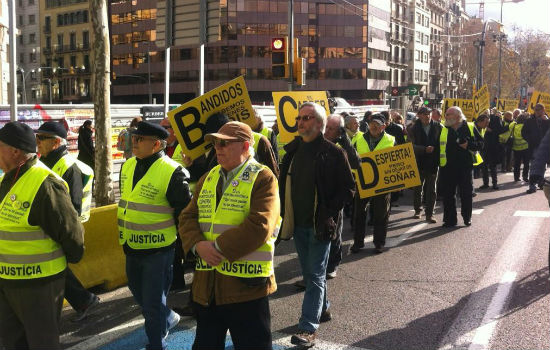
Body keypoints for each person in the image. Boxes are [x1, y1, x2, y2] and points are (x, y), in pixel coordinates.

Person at [179, 121, 280, 350]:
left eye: (224, 143)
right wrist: (197, 245)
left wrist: (216, 248)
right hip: (208, 288)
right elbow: (187, 217)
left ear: (245, 146)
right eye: (215, 143)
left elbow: (261, 224)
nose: (218, 148)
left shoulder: (263, 178)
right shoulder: (208, 177)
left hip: (246, 289)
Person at [0, 121, 84, 350]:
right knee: (12, 343)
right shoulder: (6, 179)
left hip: (39, 285)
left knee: (42, 344)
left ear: (15, 151)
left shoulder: (45, 184)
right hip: (8, 282)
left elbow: (72, 235)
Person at [279, 102, 355, 347]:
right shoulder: (292, 151)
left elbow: (348, 188)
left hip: (321, 226)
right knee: (313, 274)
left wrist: (328, 212)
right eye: (299, 118)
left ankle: (308, 328)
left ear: (320, 124)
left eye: (307, 118)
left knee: (313, 275)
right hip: (298, 225)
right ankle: (324, 308)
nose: (301, 122)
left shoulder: (334, 152)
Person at [118, 121, 192, 350]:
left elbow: (184, 213)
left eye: (140, 139)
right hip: (131, 245)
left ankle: (156, 343)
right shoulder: (128, 165)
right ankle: (167, 317)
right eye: (134, 138)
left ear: (156, 144)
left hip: (158, 250)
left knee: (151, 303)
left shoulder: (172, 171)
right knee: (139, 294)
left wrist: (186, 248)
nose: (134, 142)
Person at [35, 121, 99, 322]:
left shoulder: (69, 167)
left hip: (63, 226)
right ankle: (84, 300)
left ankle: (84, 300)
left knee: (56, 267)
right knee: (56, 267)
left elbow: (74, 206)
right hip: (50, 225)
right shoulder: (46, 162)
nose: (37, 142)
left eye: (41, 138)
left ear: (55, 143)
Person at [351, 113, 396, 253]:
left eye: (377, 124)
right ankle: (358, 243)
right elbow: (350, 156)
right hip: (362, 182)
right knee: (359, 214)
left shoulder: (391, 140)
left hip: (382, 183)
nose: (373, 127)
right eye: (372, 124)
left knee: (381, 215)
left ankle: (379, 243)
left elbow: (397, 160)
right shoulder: (359, 139)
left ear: (383, 126)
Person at [324, 114, 360, 278]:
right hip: (320, 194)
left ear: (339, 131)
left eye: (331, 129)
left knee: (334, 232)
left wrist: (344, 139)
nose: (326, 131)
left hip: (336, 196)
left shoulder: (342, 146)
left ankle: (332, 265)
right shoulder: (317, 141)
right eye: (326, 127)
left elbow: (356, 162)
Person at [439, 107, 483, 227]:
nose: (446, 116)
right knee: (448, 195)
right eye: (446, 114)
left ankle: (467, 217)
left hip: (465, 166)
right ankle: (450, 220)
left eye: (448, 114)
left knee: (466, 194)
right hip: (447, 167)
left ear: (458, 116)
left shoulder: (469, 127)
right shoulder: (443, 127)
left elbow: (481, 144)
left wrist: (469, 145)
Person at [409, 107, 442, 223]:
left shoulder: (439, 127)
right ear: (419, 115)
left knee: (432, 189)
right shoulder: (413, 129)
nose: (427, 116)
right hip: (418, 162)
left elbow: (442, 144)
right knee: (418, 188)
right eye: (424, 114)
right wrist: (424, 149)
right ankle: (418, 210)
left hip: (433, 162)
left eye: (428, 114)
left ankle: (430, 214)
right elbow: (410, 146)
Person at [523, 104, 550, 194]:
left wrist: (547, 121)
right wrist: (529, 139)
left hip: (546, 147)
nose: (538, 111)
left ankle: (540, 182)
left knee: (542, 165)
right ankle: (532, 186)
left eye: (540, 110)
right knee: (534, 165)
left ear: (544, 110)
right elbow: (523, 132)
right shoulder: (529, 121)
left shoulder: (547, 120)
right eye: (536, 110)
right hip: (534, 146)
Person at [511, 112, 530, 182]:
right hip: (526, 147)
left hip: (516, 147)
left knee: (517, 164)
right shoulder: (526, 126)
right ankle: (525, 176)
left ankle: (516, 177)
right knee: (526, 163)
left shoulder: (514, 126)